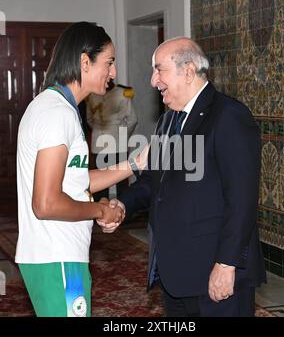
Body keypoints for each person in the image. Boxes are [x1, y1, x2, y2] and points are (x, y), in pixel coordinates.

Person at [120, 37, 266, 317]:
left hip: (214, 271)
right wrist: (123, 204)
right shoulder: (168, 120)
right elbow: (155, 180)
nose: (153, 81)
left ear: (187, 71)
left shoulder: (229, 116)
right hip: (176, 274)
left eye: (159, 70)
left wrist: (226, 265)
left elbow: (242, 199)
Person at [15, 22, 146, 317]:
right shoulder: (55, 113)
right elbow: (47, 203)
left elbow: (74, 181)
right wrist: (101, 211)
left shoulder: (58, 109)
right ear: (84, 61)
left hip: (59, 255)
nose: (113, 73)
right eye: (109, 63)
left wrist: (136, 163)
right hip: (56, 256)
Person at [86, 80, 137, 200]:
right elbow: (89, 119)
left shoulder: (123, 92)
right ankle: (103, 212)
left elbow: (132, 119)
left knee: (117, 180)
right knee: (103, 181)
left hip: (110, 143)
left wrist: (123, 136)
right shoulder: (92, 94)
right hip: (107, 144)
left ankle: (121, 211)